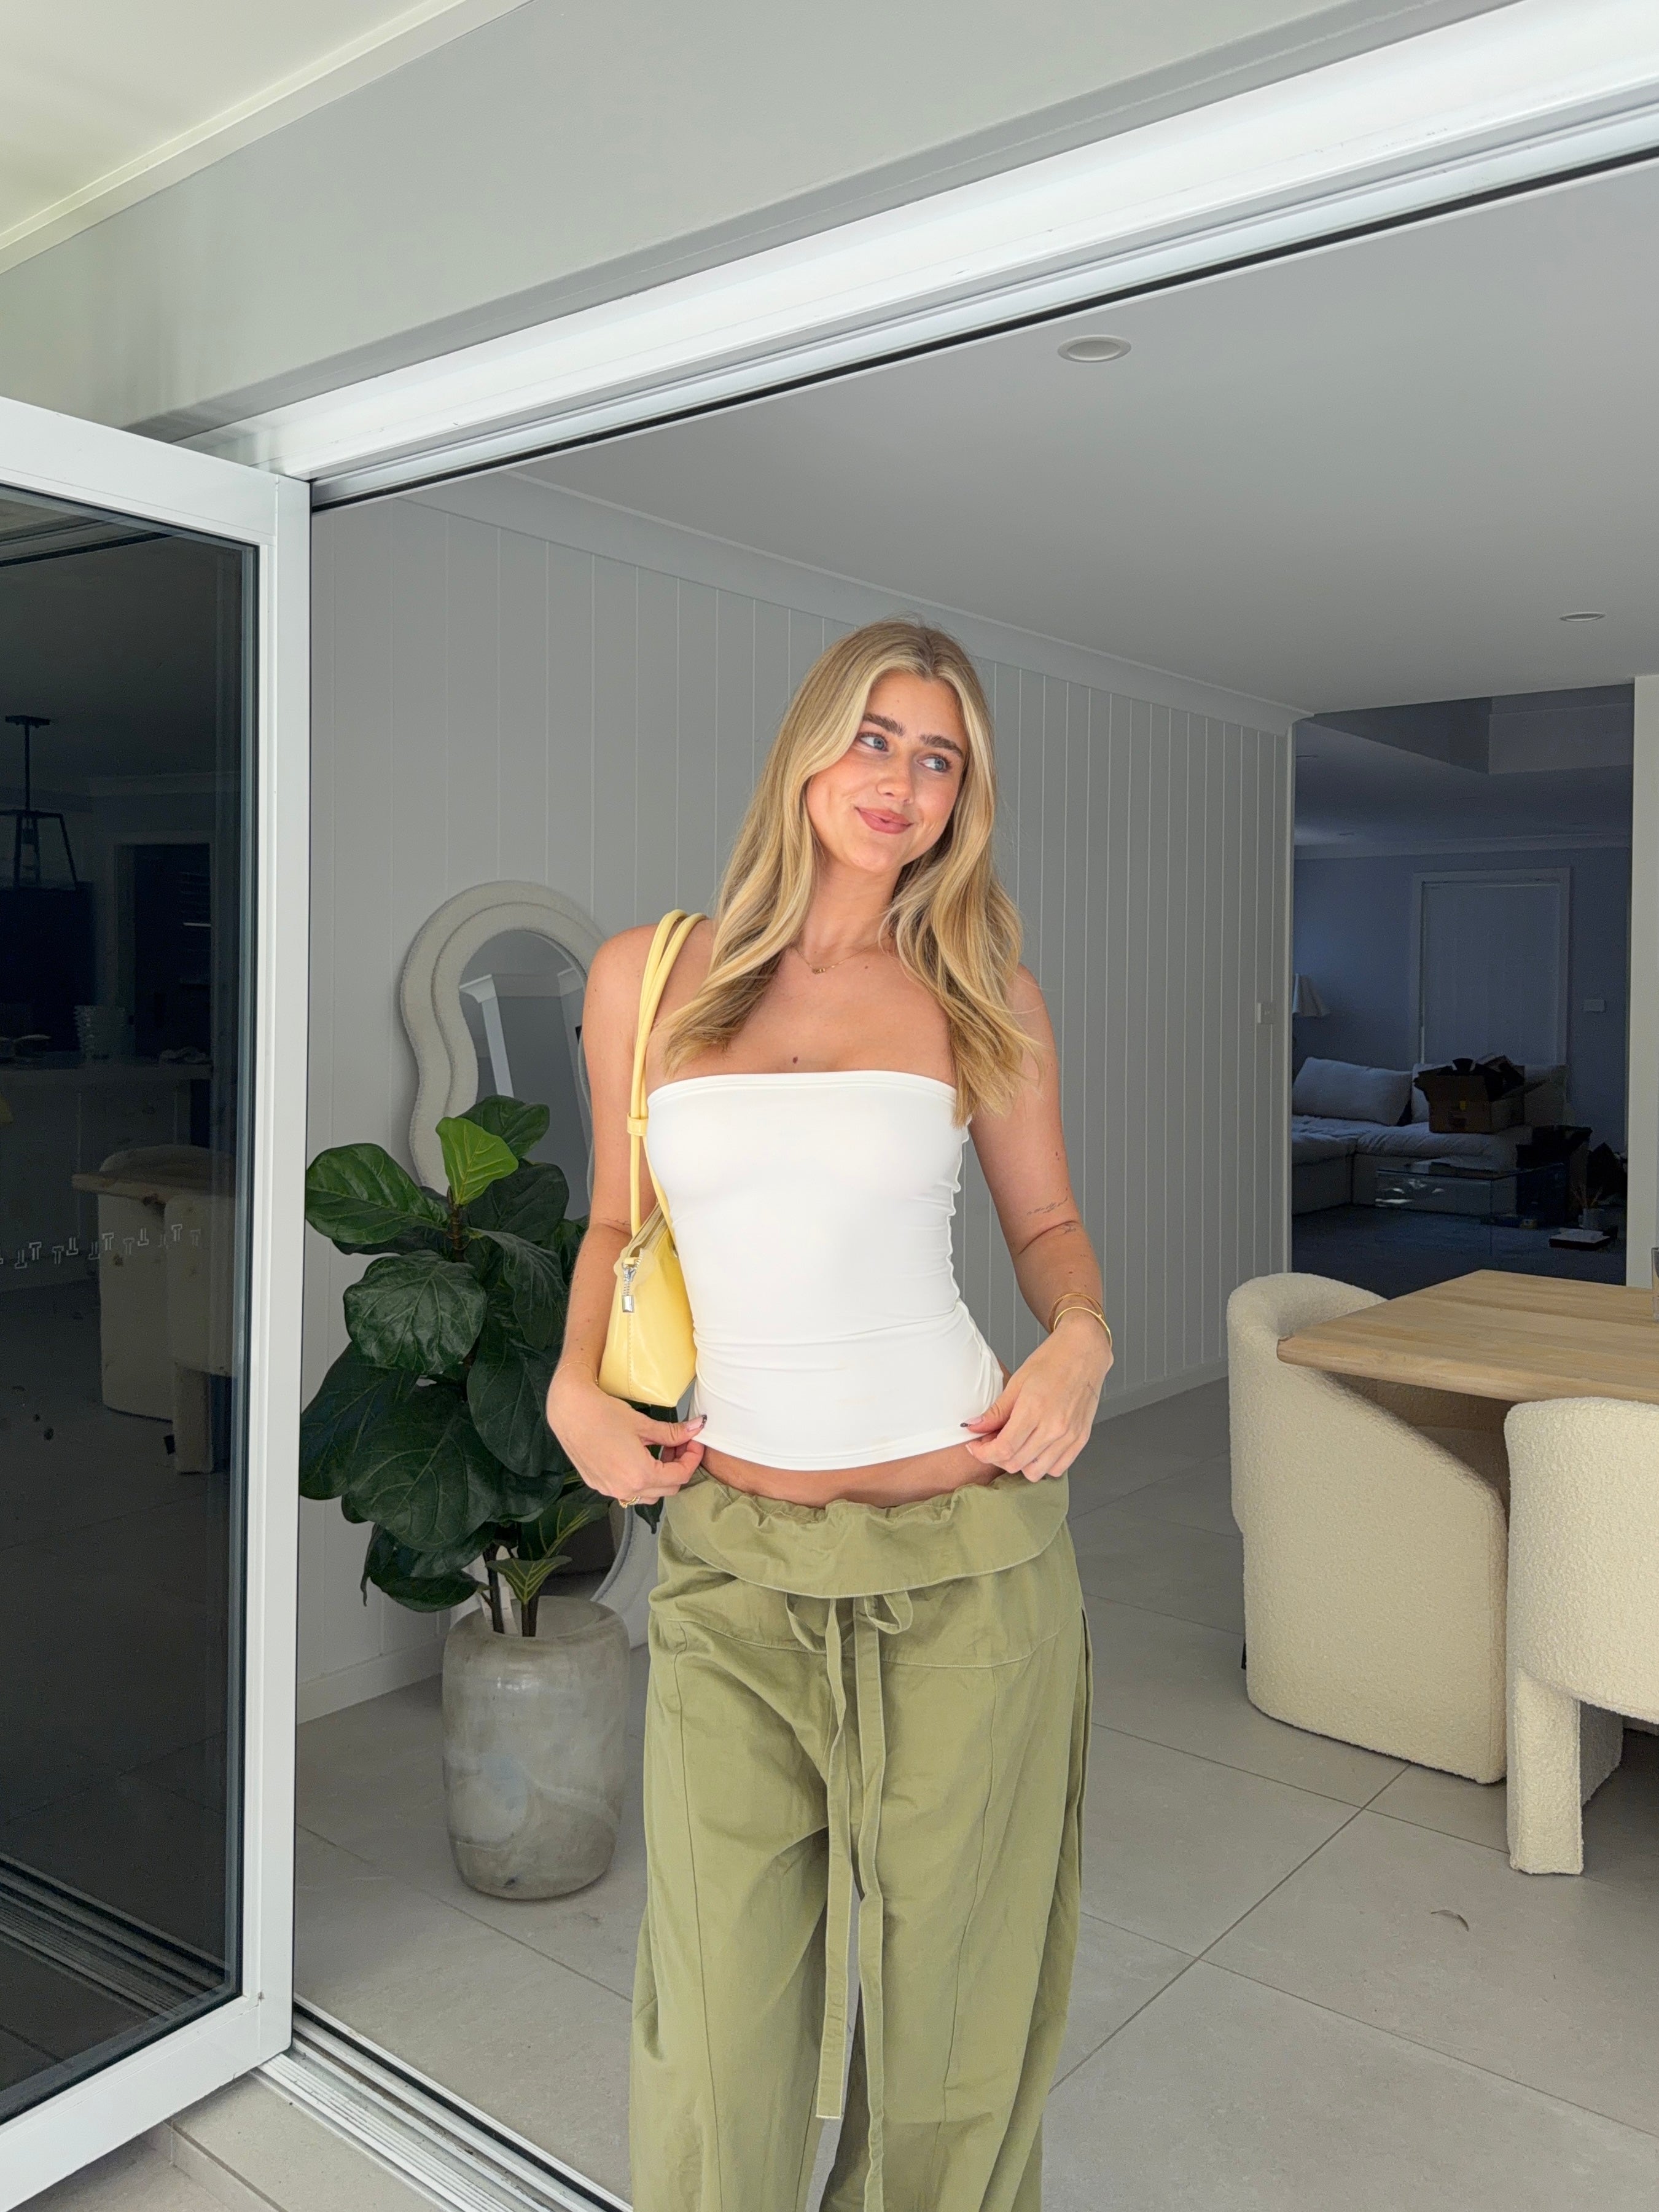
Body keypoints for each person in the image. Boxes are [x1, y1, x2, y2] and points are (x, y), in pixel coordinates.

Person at [547, 619, 1112, 2212]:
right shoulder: (644, 975)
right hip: (736, 1563)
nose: (902, 781)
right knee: (717, 2022)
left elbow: (1048, 1223)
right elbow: (616, 1223)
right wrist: (572, 1381)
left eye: (940, 759)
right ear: (806, 747)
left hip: (969, 1557)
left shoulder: (981, 986)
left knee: (953, 2026)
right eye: (875, 737)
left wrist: (1081, 1338)